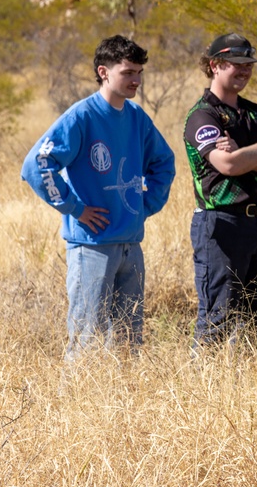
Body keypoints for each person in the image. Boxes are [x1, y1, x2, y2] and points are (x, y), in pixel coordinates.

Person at [21, 35, 175, 357]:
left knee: (128, 343)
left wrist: (143, 207)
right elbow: (36, 164)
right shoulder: (81, 117)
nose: (136, 80)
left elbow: (164, 162)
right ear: (104, 72)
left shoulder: (136, 118)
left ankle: (122, 406)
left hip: (130, 247)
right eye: (128, 72)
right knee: (85, 340)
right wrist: (75, 208)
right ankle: (74, 406)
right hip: (90, 247)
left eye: (139, 73)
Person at [183, 33, 257, 348]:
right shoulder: (203, 115)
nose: (244, 71)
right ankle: (206, 391)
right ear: (215, 65)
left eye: (248, 65)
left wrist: (246, 150)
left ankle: (245, 390)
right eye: (236, 65)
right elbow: (226, 165)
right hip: (222, 224)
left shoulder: (256, 113)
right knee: (217, 316)